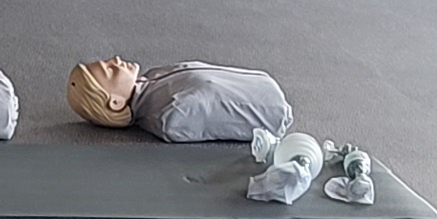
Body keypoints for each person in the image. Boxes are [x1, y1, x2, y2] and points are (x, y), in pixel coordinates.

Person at [66, 59, 293, 142]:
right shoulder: (172, 115)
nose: (115, 60)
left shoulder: (152, 79)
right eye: (110, 70)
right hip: (272, 107)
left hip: (265, 86)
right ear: (115, 103)